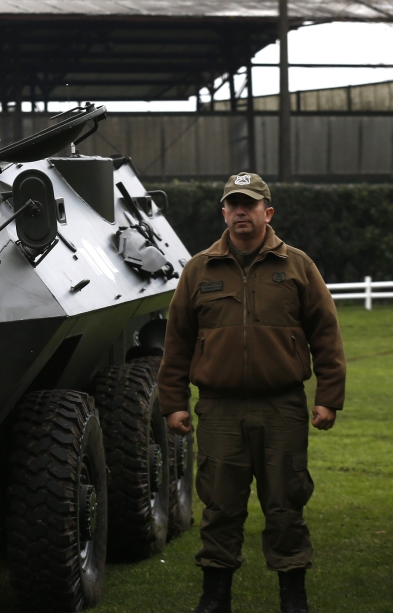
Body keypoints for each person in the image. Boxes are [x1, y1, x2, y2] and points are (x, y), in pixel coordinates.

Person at [158, 172, 345, 613]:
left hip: (283, 406)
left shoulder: (297, 266)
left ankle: (293, 595)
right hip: (220, 409)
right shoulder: (199, 269)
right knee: (220, 505)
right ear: (224, 212)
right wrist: (173, 403)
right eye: (233, 204)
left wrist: (328, 397)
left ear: (268, 212)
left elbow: (326, 333)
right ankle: (215, 596)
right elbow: (177, 342)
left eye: (250, 204)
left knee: (285, 504)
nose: (241, 211)